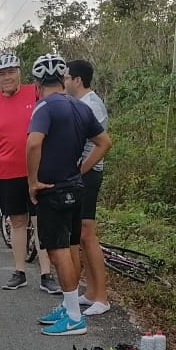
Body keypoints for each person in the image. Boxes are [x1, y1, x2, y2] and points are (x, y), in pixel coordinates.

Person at [26, 53, 111, 337]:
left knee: (57, 250)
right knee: (71, 245)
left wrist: (33, 182)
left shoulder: (44, 107)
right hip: (76, 186)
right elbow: (104, 142)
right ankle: (68, 305)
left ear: (38, 83)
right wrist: (82, 168)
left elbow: (33, 144)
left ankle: (74, 317)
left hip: (53, 188)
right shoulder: (81, 107)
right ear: (62, 79)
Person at [0, 53, 58, 293]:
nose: (6, 78)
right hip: (6, 171)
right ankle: (19, 271)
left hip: (38, 169)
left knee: (40, 220)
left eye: (11, 72)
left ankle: (46, 274)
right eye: (1, 74)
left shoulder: (34, 91)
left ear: (19, 73)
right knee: (17, 221)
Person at [63, 59, 113, 316]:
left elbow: (100, 145)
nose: (64, 81)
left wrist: (81, 169)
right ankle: (92, 292)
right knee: (82, 235)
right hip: (81, 175)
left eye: (66, 77)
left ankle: (102, 297)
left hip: (89, 175)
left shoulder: (91, 105)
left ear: (77, 80)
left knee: (87, 234)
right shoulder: (81, 103)